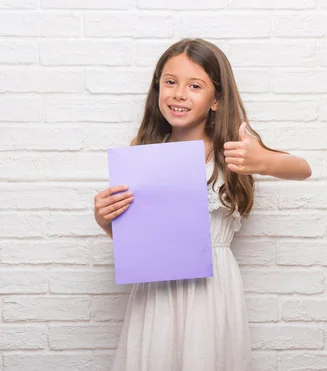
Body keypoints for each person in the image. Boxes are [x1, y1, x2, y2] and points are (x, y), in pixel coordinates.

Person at [92, 38, 312, 371]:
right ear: (158, 89)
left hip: (212, 288)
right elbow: (141, 238)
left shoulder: (234, 149)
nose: (179, 94)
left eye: (195, 85)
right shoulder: (142, 149)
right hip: (156, 288)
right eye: (170, 82)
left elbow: (303, 169)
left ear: (216, 99)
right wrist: (107, 220)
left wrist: (261, 160)